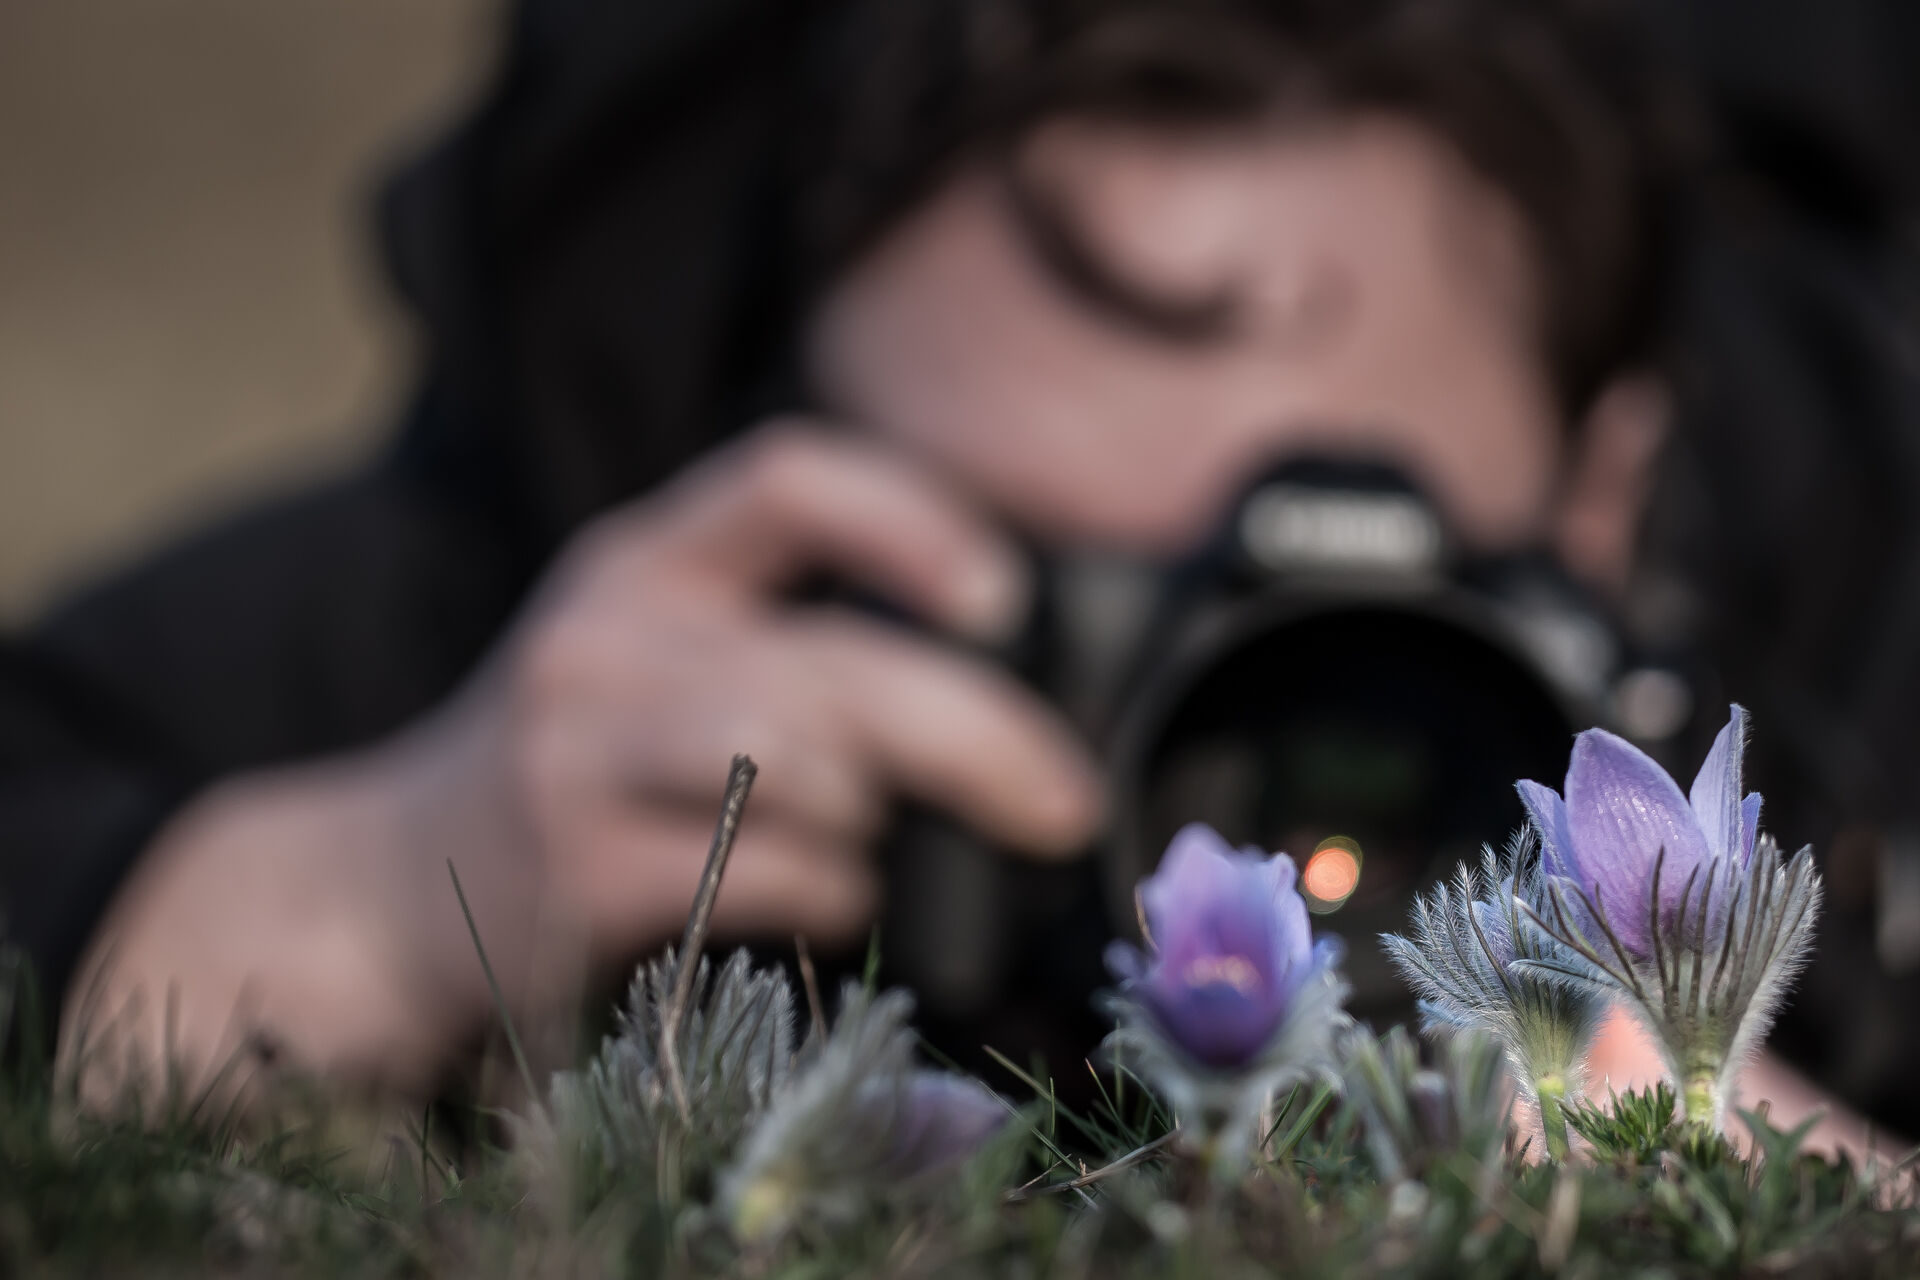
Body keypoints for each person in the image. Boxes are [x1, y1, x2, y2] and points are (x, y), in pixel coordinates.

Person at [0, 0, 1903, 1151]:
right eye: (1021, 595)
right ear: (783, 447)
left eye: (1287, 619)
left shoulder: (1853, 595)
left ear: (1607, 505)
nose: (1180, 824)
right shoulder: (580, 566)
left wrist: (1797, 1187)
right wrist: (372, 892)